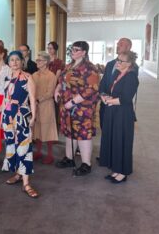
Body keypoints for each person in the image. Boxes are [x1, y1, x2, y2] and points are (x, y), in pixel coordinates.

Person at [54, 41, 100, 176]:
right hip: (67, 107)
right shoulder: (68, 66)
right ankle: (69, 159)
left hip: (82, 108)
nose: (73, 52)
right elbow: (61, 81)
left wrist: (73, 102)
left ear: (84, 52)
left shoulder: (90, 68)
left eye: (76, 49)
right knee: (69, 132)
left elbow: (91, 89)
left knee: (83, 135)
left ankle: (86, 164)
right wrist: (56, 90)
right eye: (72, 49)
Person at [1, 50, 38, 198]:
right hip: (8, 117)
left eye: (17, 59)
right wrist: (2, 119)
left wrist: (33, 118)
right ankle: (17, 174)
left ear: (22, 61)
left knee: (24, 148)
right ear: (8, 62)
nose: (14, 62)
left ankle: (26, 183)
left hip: (22, 115)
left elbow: (33, 99)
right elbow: (5, 100)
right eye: (12, 60)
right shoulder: (7, 78)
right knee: (11, 146)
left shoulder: (28, 77)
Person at [99, 51, 139, 183]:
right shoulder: (117, 73)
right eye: (118, 60)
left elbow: (125, 99)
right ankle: (115, 169)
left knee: (122, 141)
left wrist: (108, 101)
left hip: (123, 114)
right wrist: (105, 96)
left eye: (121, 61)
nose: (117, 63)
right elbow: (111, 91)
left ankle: (123, 172)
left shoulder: (131, 77)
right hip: (113, 111)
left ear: (129, 64)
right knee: (113, 140)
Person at [98, 38, 133, 130]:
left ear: (129, 47)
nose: (118, 46)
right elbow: (103, 83)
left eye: (121, 44)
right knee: (105, 132)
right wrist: (102, 95)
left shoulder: (132, 67)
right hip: (105, 105)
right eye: (117, 44)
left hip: (119, 109)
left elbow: (127, 92)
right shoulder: (110, 64)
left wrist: (111, 100)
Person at [32, 51, 58, 164]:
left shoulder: (51, 75)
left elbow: (50, 93)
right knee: (37, 130)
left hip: (46, 105)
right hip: (36, 106)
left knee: (47, 130)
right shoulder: (34, 75)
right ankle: (38, 152)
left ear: (46, 62)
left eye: (39, 60)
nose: (37, 62)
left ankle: (50, 154)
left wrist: (38, 99)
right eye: (37, 60)